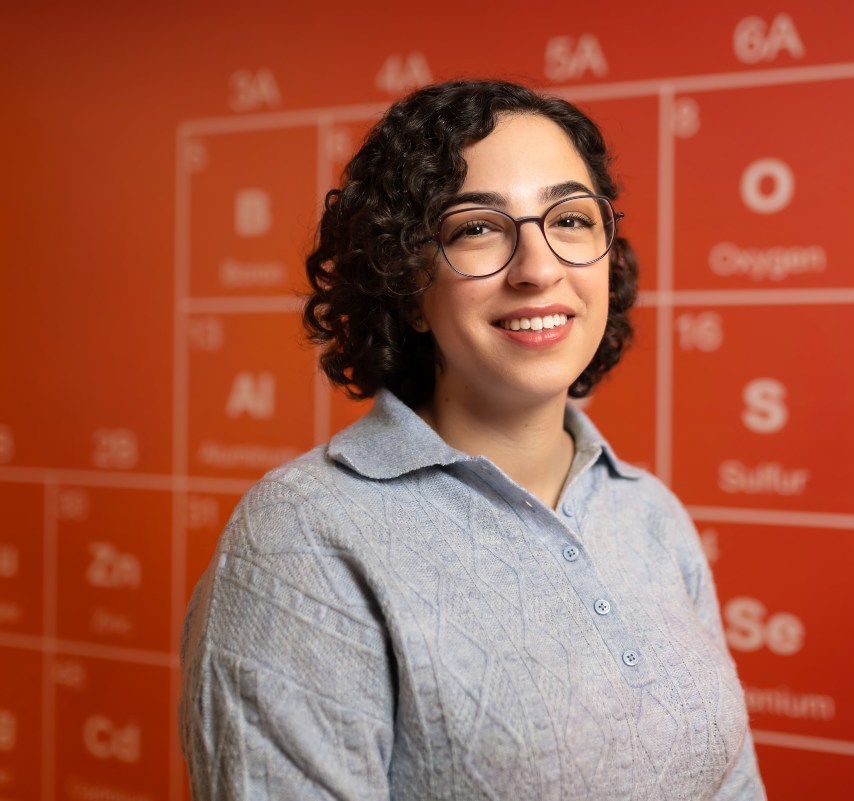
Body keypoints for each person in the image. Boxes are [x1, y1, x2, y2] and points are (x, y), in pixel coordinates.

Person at [179, 79, 766, 800]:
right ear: (407, 282)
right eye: (478, 228)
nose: (539, 268)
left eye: (572, 220)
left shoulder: (651, 515)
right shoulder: (303, 535)